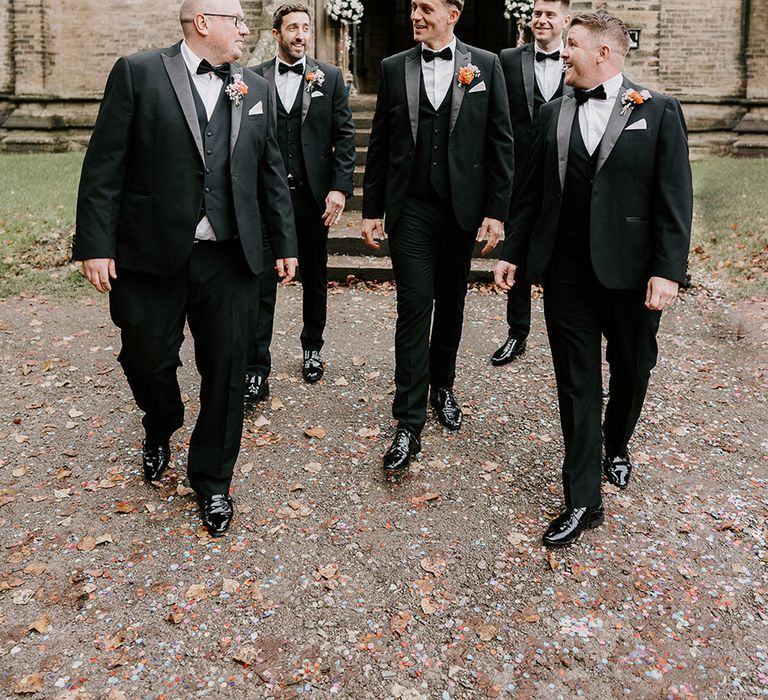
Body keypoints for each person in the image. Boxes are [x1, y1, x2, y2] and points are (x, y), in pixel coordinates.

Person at [72, 0, 298, 537]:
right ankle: (161, 423)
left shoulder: (256, 88)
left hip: (230, 257)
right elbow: (105, 163)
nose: (247, 28)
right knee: (146, 359)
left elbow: (270, 172)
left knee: (227, 371)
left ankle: (214, 480)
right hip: (151, 256)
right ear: (204, 24)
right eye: (236, 20)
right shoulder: (138, 73)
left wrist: (285, 243)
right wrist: (94, 244)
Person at [495, 12, 692, 547]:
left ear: (603, 53)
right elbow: (531, 192)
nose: (564, 53)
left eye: (573, 46)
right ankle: (583, 497)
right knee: (576, 382)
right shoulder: (552, 112)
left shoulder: (658, 111)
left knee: (633, 367)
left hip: (631, 276)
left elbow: (674, 200)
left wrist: (667, 270)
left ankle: (618, 443)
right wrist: (514, 251)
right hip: (566, 273)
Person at [362, 0, 514, 475]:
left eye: (426, 8)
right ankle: (407, 423)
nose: (415, 16)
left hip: (460, 211)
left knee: (451, 302)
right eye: (411, 7)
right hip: (410, 210)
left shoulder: (486, 65)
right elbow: (382, 142)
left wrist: (495, 212)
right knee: (413, 308)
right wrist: (372, 210)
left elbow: (500, 142)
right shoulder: (393, 68)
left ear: (454, 13)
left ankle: (442, 386)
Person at [244, 2, 355, 404]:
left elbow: (344, 137)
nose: (300, 35)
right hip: (267, 200)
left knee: (315, 276)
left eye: (305, 28)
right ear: (276, 34)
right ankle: (257, 367)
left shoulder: (330, 77)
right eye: (292, 28)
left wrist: (340, 188)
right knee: (262, 282)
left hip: (312, 198)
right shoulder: (253, 79)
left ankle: (312, 348)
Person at [491, 0, 571, 367]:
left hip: (564, 173)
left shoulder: (578, 59)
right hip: (519, 172)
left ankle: (571, 334)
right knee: (517, 248)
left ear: (564, 21)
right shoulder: (507, 59)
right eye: (537, 14)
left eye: (549, 14)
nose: (541, 20)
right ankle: (516, 332)